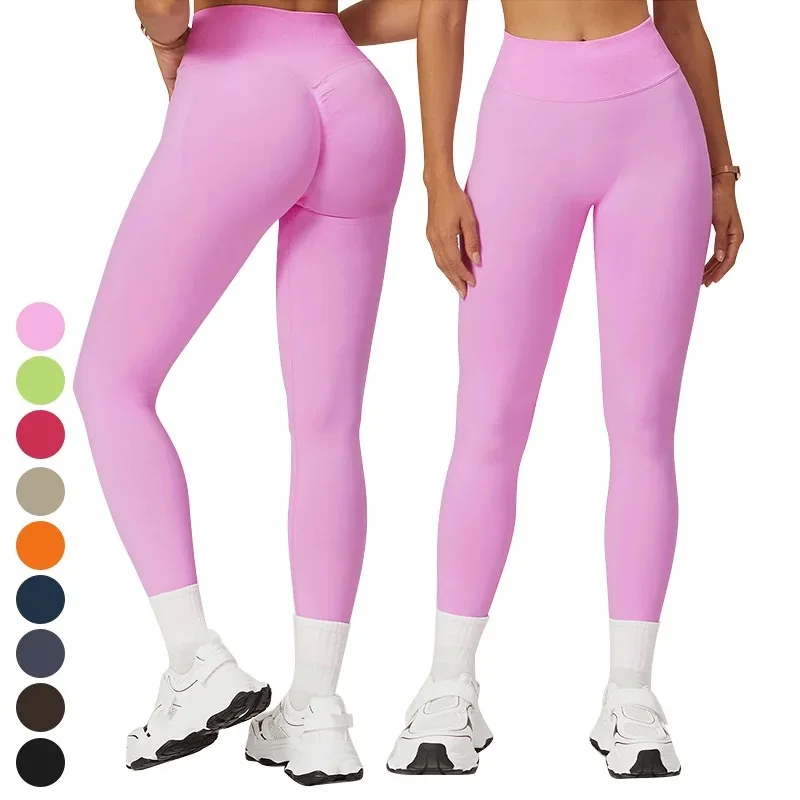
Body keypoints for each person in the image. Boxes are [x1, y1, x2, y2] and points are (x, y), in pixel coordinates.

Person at [388, 0, 743, 779]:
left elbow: (682, 20)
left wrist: (723, 172)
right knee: (489, 419)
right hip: (525, 127)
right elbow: (443, 17)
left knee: (643, 422)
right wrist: (438, 178)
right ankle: (448, 683)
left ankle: (632, 693)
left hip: (657, 130)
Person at [74, 0, 418, 784]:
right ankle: (318, 711)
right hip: (358, 97)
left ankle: (195, 659)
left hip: (241, 88)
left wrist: (165, 41)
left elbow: (164, 6)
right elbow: (434, 8)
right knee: (328, 424)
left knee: (110, 381)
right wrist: (324, 34)